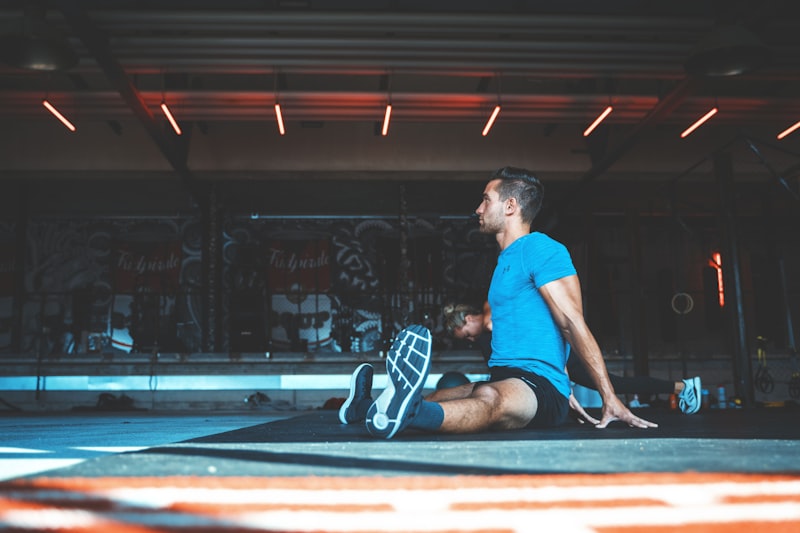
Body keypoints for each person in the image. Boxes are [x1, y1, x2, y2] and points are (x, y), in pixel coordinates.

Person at [341, 166, 657, 439]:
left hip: (537, 384)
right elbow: (542, 325)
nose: (478, 209)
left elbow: (571, 323)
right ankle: (366, 408)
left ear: (510, 206)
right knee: (443, 395)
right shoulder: (505, 260)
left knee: (489, 399)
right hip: (506, 376)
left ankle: (406, 414)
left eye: (485, 200)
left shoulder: (540, 248)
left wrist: (607, 396)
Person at [442, 301, 703, 414]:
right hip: (551, 358)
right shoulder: (488, 328)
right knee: (615, 384)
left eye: (465, 334)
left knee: (616, 385)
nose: (469, 340)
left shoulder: (490, 324)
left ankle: (683, 387)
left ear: (468, 319)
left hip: (559, 355)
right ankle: (681, 387)